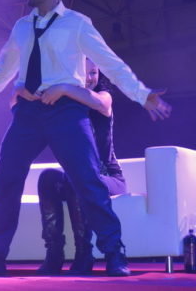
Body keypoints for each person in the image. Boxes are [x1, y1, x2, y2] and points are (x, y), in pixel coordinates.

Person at [0, 0, 171, 277]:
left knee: (88, 181)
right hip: (28, 113)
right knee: (6, 179)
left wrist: (142, 94)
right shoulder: (22, 27)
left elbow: (109, 63)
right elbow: (3, 70)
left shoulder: (77, 23)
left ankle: (114, 253)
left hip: (66, 111)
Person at [29, 59, 128, 275]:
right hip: (78, 175)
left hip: (108, 176)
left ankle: (84, 253)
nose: (90, 78)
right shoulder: (62, 106)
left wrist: (64, 88)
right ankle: (54, 253)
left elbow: (102, 105)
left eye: (94, 72)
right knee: (48, 178)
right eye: (84, 72)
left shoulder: (103, 96)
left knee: (79, 176)